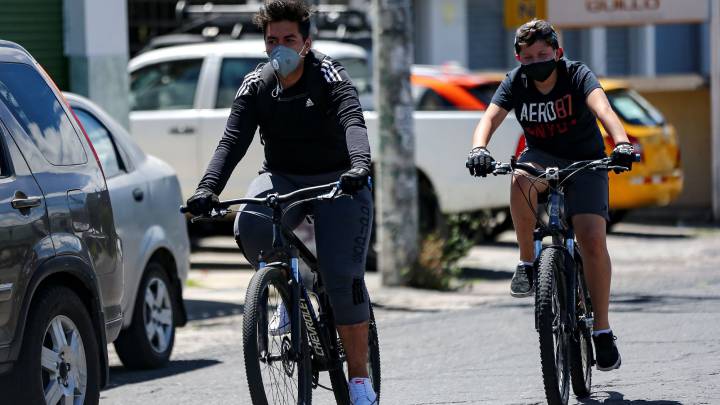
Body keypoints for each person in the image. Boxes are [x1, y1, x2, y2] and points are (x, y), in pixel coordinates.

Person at [184, 1, 377, 402]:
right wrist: (207, 189)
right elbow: (231, 142)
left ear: (307, 41)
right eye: (272, 40)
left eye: (289, 39)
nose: (280, 47)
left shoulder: (328, 74)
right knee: (250, 222)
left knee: (343, 280)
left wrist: (359, 165)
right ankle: (290, 288)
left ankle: (359, 380)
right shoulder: (256, 85)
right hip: (282, 179)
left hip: (338, 180)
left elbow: (352, 121)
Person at [466, 19, 634, 371]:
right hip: (541, 157)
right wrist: (479, 148)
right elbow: (489, 119)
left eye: (543, 54)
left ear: (557, 52)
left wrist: (620, 143)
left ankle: (601, 329)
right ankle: (527, 262)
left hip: (586, 160)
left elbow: (604, 110)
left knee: (590, 239)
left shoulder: (576, 75)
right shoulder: (516, 82)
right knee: (519, 180)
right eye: (527, 57)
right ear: (518, 58)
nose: (535, 61)